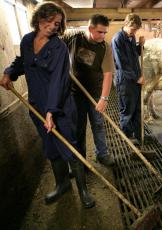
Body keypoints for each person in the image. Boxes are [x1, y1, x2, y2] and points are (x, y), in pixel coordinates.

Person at [0, 2, 95, 208]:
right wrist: (9, 72)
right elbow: (22, 61)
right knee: (51, 147)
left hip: (60, 109)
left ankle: (83, 190)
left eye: (57, 23)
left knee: (70, 147)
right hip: (37, 107)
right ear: (39, 18)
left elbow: (58, 82)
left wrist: (52, 111)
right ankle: (62, 185)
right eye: (49, 20)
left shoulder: (58, 47)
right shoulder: (26, 41)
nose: (52, 26)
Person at [62, 14, 115, 166]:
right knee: (78, 128)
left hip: (95, 93)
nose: (104, 35)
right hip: (75, 94)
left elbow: (108, 74)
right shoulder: (73, 38)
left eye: (105, 32)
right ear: (90, 28)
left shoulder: (105, 47)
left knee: (98, 124)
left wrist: (104, 98)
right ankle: (80, 160)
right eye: (100, 32)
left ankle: (102, 154)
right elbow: (54, 45)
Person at [111, 13, 145, 144]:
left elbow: (135, 54)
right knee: (127, 110)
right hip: (125, 81)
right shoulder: (117, 39)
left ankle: (138, 134)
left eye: (136, 30)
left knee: (137, 108)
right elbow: (121, 63)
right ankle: (126, 137)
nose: (134, 32)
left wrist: (140, 46)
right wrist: (137, 78)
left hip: (135, 78)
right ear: (126, 25)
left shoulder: (131, 37)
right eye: (133, 29)